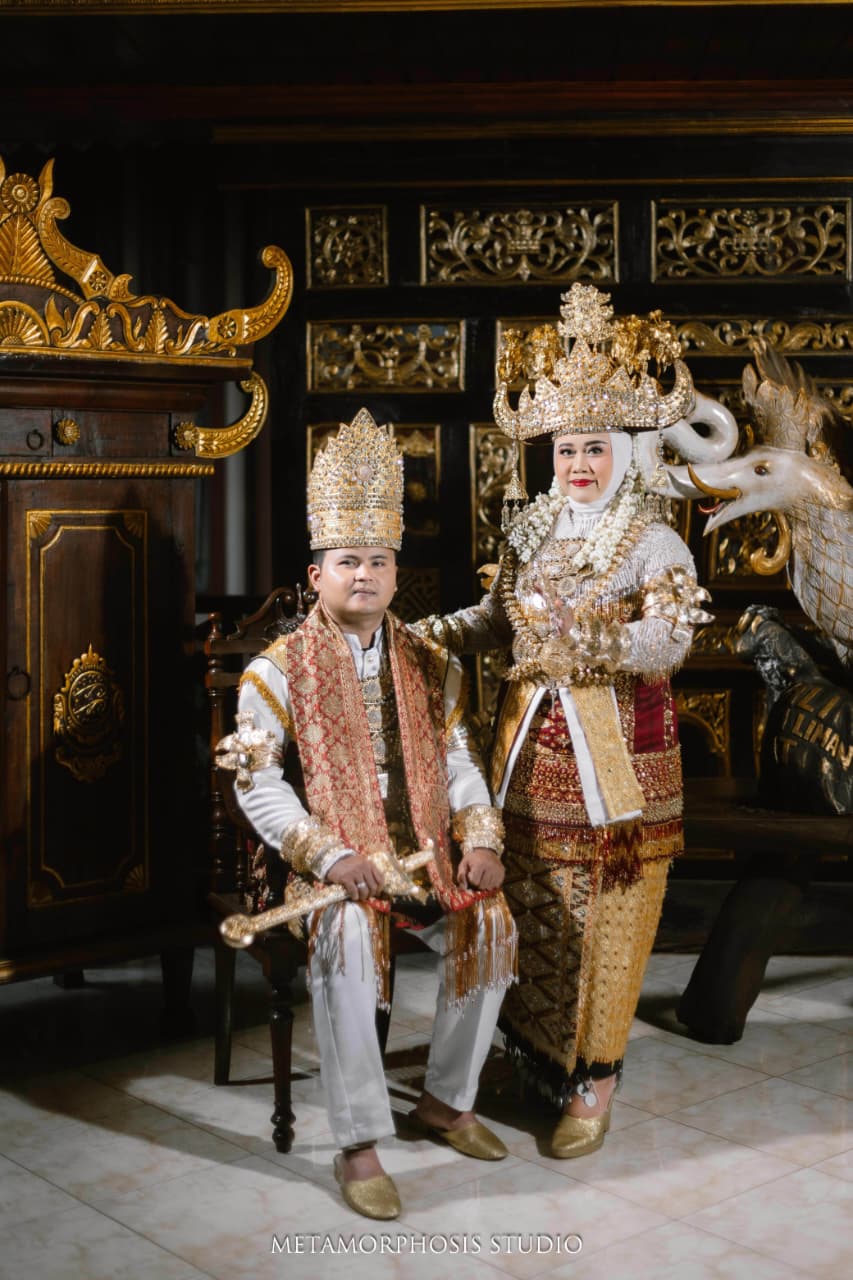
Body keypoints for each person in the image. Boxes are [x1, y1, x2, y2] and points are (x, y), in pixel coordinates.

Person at [417, 284, 721, 1159]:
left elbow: (669, 642)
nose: (578, 464)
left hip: (615, 768)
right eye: (565, 449)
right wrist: (423, 633)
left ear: (623, 452)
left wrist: (590, 639)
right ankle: (536, 1060)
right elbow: (495, 622)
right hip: (524, 762)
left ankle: (593, 1084)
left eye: (593, 447)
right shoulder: (531, 535)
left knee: (602, 925)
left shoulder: (654, 542)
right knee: (535, 915)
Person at [228, 408, 517, 1221]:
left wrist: (479, 836)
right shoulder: (276, 669)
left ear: (395, 574)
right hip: (326, 866)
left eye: (378, 561)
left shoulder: (429, 660)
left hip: (421, 852)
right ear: (315, 573)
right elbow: (256, 784)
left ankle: (446, 1102)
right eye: (347, 561)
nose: (364, 575)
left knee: (491, 922)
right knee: (349, 935)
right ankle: (357, 1143)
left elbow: (459, 761)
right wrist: (329, 857)